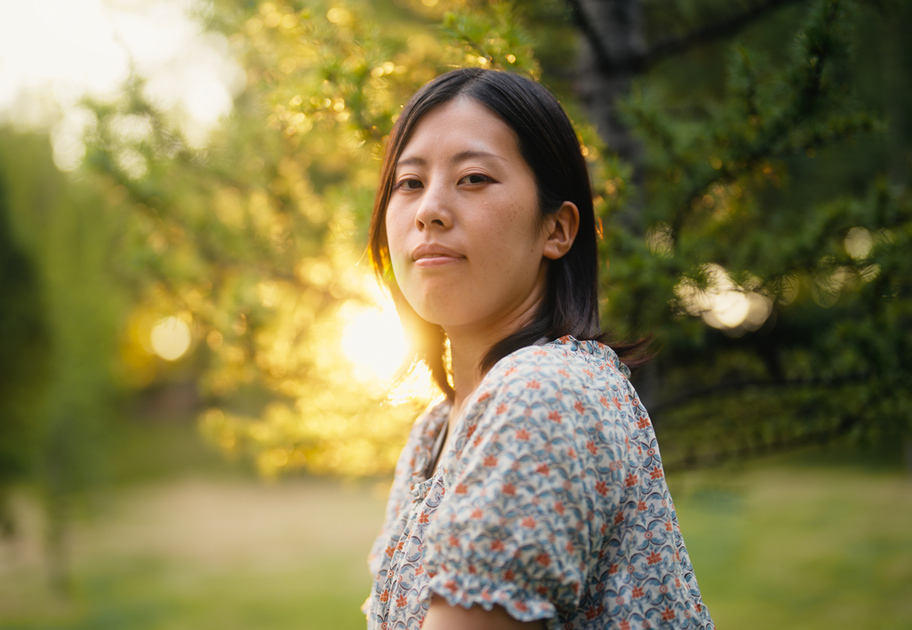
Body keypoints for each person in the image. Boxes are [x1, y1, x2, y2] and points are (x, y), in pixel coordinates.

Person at [364, 67, 714, 630]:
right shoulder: (435, 430)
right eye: (409, 183)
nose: (429, 209)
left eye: (473, 178)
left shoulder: (545, 394)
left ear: (557, 229)